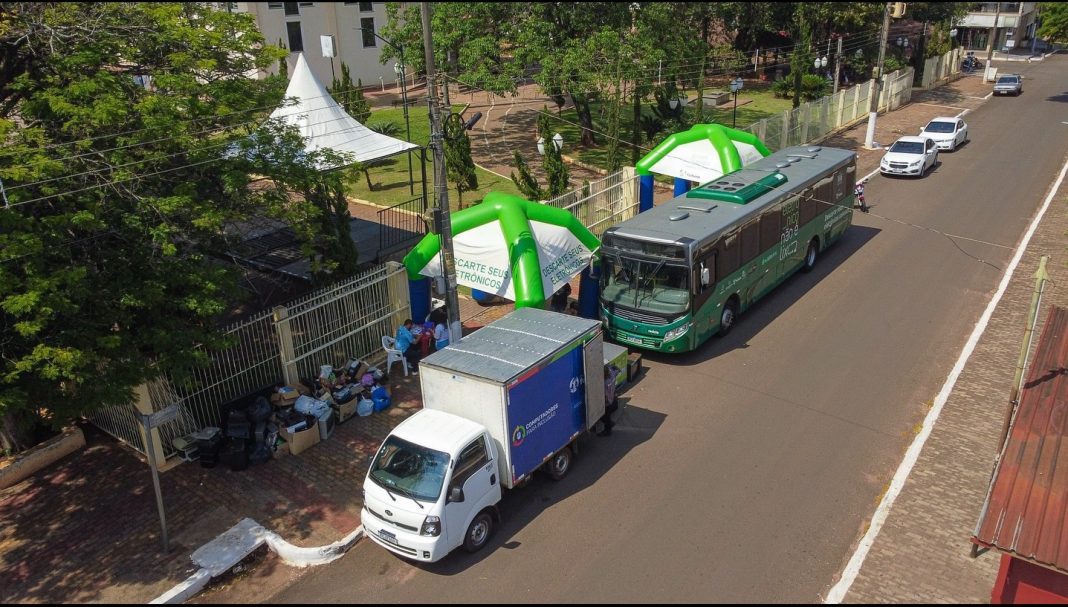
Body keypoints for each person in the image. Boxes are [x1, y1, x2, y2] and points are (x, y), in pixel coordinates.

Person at [598, 364, 622, 437]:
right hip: (611, 398)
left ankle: (608, 430)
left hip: (606, 401)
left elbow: (604, 394)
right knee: (607, 414)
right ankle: (609, 424)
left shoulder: (604, 383)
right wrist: (613, 367)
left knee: (603, 416)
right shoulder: (612, 374)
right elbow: (618, 370)